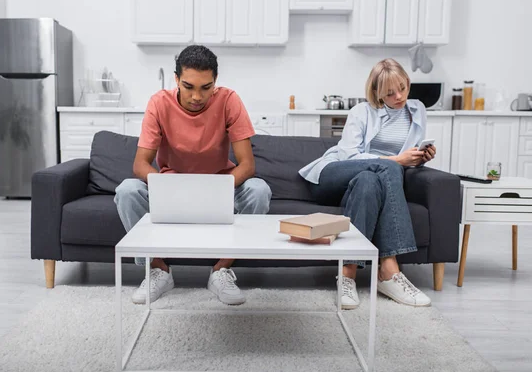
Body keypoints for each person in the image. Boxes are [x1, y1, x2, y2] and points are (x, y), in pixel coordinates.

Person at [114, 45, 272, 306]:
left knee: (259, 190)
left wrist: (215, 188)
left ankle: (221, 270)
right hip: (171, 187)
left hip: (221, 187)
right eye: (188, 86)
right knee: (127, 191)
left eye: (206, 87)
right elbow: (140, 164)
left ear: (215, 83)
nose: (197, 96)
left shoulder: (229, 100)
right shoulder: (159, 103)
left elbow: (247, 165)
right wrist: (170, 188)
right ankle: (158, 270)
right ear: (176, 80)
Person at [299, 58, 435, 309]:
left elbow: (405, 159)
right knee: (383, 168)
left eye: (403, 88)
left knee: (369, 182)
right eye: (390, 92)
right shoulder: (361, 112)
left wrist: (419, 159)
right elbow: (349, 155)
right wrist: (396, 160)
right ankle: (390, 270)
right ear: (376, 93)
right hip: (333, 176)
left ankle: (348, 274)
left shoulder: (417, 110)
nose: (399, 96)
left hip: (369, 182)